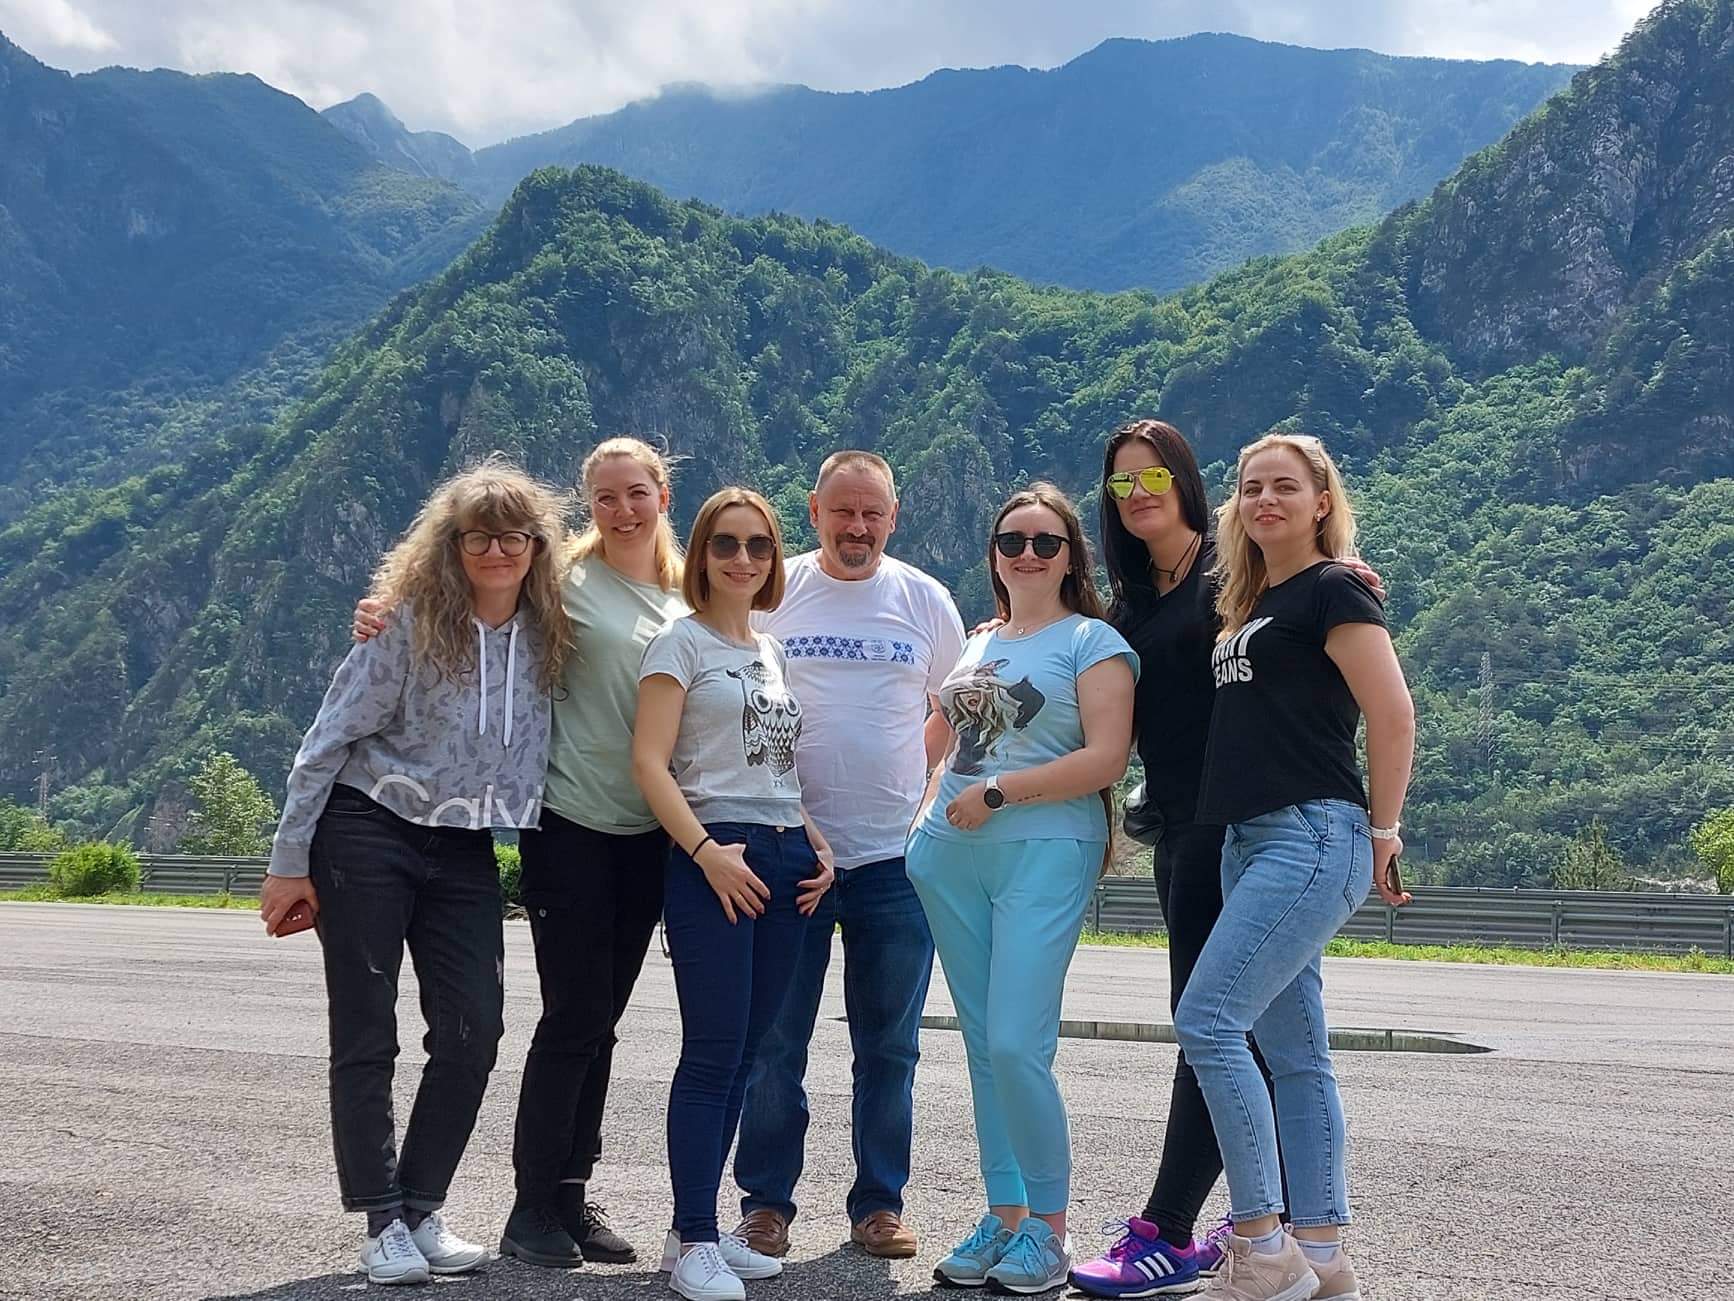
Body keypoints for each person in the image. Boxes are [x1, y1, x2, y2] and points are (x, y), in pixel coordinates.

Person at [353, 436, 688, 1269]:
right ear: (586, 503)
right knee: (571, 1018)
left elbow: (765, 602)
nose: (622, 509)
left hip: (650, 832)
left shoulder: (688, 593)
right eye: (605, 496)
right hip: (569, 824)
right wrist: (382, 606)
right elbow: (468, 587)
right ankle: (530, 1206)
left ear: (663, 496)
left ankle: (572, 1195)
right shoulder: (563, 584)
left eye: (636, 492)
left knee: (602, 1024)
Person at [1071, 419, 1387, 1299]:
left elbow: (1316, 603)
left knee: (1209, 1024)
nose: (1137, 497)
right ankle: (1307, 1240)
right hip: (1183, 829)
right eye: (1120, 487)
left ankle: (1189, 1231)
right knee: (1253, 1031)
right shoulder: (1130, 600)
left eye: (1152, 480)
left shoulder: (1234, 572)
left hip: (1247, 826)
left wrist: (1343, 574)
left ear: (1186, 483)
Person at [259, 459, 569, 1286]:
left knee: (474, 1029)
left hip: (466, 843)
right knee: (367, 1029)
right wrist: (290, 862)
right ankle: (382, 1219)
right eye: (479, 536)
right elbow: (326, 739)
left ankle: (423, 1204)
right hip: (367, 830)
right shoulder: (402, 622)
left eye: (513, 535)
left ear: (539, 546)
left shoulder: (552, 630)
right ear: (452, 544)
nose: (497, 550)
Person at [1175, 433, 1413, 1301]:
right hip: (1252, 839)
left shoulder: (1336, 589)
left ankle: (1259, 1239)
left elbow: (1393, 715)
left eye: (1286, 486)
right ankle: (1320, 1254)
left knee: (1206, 1021)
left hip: (1313, 834)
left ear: (1322, 501)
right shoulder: (1252, 599)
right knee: (1296, 1051)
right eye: (1251, 488)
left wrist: (1383, 830)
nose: (1265, 498)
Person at [730, 450, 965, 1262]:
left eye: (872, 513)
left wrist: (918, 780)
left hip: (895, 862)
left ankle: (877, 1206)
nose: (857, 527)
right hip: (787, 852)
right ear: (815, 510)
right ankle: (765, 1203)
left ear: (892, 517)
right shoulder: (775, 589)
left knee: (890, 1046)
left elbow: (954, 708)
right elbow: (734, 701)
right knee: (772, 1040)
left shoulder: (925, 600)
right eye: (843, 511)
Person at [906, 483, 1139, 1296]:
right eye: (1013, 542)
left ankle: (1049, 1225)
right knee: (981, 1050)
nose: (1029, 555)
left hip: (1044, 848)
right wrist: (920, 819)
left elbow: (1106, 758)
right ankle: (1003, 1214)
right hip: (949, 857)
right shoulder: (978, 644)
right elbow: (936, 740)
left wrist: (1003, 793)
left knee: (1016, 1042)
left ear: (1071, 555)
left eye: (1047, 542)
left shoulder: (1093, 642)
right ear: (993, 555)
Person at [632, 486, 837, 1301]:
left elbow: (775, 768)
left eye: (758, 545)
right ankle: (694, 1241)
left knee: (750, 1055)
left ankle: (696, 1232)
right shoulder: (676, 646)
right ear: (702, 555)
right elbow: (650, 763)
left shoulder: (769, 650)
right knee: (713, 1052)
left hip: (786, 860)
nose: (743, 559)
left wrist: (816, 846)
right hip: (713, 856)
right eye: (726, 544)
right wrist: (707, 852)